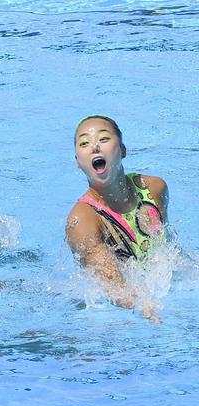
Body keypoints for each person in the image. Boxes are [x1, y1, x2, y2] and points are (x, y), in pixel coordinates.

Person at [65, 115, 168, 321]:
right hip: (107, 317)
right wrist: (144, 306)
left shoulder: (154, 189)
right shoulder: (83, 220)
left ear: (122, 150)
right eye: (84, 143)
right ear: (78, 162)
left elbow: (167, 253)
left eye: (104, 139)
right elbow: (115, 288)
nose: (95, 147)